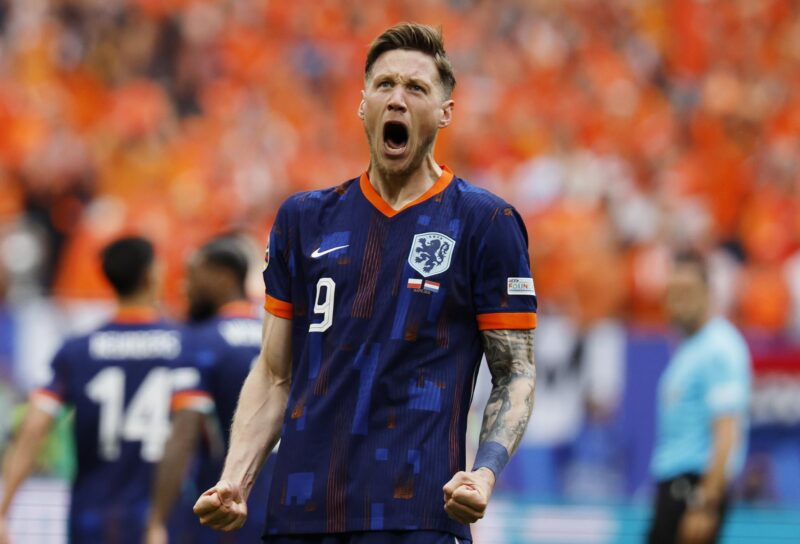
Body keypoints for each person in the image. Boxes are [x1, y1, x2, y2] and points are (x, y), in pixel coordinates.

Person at [192, 22, 538, 544]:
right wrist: (236, 478)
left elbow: (515, 372)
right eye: (384, 85)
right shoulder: (302, 220)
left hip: (417, 514)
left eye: (416, 89)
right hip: (300, 516)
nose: (397, 99)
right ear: (362, 104)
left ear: (445, 113)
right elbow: (274, 373)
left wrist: (484, 471)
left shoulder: (485, 223)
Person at [0, 236, 184, 544]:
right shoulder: (182, 345)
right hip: (159, 515)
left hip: (91, 513)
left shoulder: (78, 349)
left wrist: (3, 510)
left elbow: (34, 427)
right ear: (151, 274)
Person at [145, 236, 272, 543]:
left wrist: (157, 520)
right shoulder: (275, 334)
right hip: (285, 505)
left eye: (192, 275)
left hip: (225, 509)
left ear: (223, 276)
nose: (184, 286)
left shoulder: (200, 341)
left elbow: (184, 432)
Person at [648, 251, 752, 544]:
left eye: (687, 291)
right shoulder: (691, 346)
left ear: (708, 293)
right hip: (676, 485)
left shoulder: (719, 347)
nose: (678, 300)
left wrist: (706, 504)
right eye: (673, 291)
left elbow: (726, 431)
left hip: (691, 489)